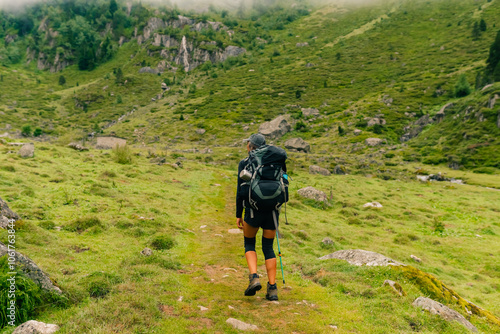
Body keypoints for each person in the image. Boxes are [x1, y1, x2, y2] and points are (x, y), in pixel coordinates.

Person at [236, 133, 285, 301]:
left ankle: (254, 277)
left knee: (249, 243)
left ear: (250, 146)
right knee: (268, 248)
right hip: (272, 212)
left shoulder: (245, 163)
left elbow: (240, 191)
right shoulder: (276, 162)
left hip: (252, 210)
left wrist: (238, 214)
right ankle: (272, 289)